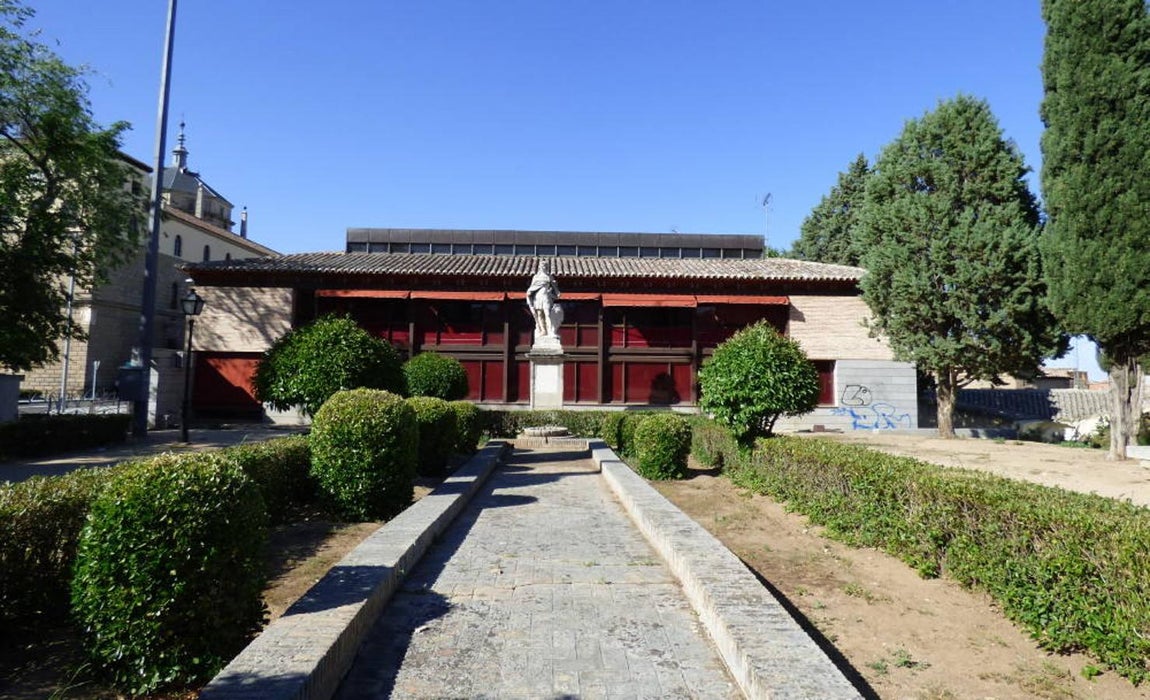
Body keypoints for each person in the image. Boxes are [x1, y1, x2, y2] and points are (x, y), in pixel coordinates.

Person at [526, 260, 562, 340]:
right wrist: (529, 292)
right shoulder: (536, 277)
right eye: (542, 266)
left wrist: (557, 293)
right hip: (538, 297)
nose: (543, 267)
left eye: (545, 266)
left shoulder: (549, 277)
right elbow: (532, 287)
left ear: (547, 267)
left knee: (547, 314)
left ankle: (550, 331)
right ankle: (543, 330)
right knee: (539, 314)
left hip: (546, 296)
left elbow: (555, 287)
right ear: (539, 267)